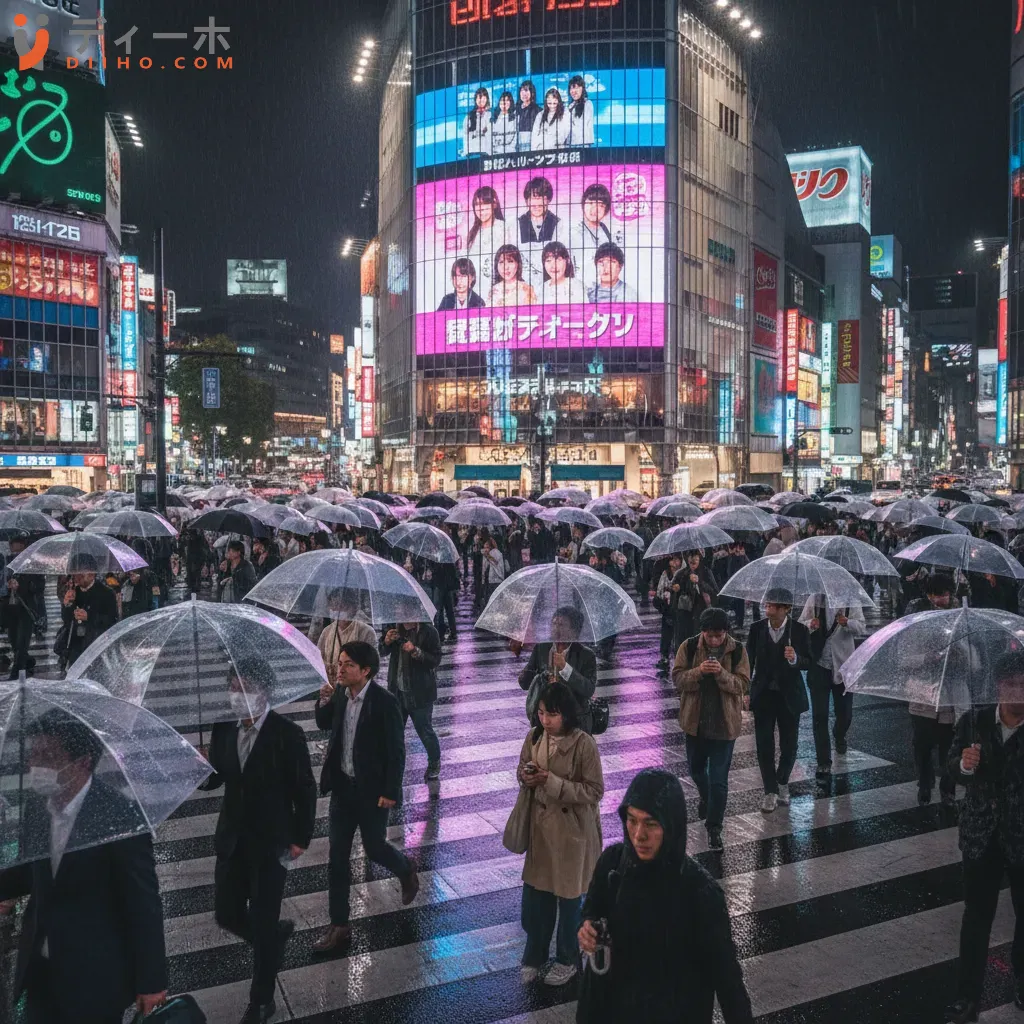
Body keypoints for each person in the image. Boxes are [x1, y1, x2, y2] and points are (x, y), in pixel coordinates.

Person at [0, 710, 168, 1024]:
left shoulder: (119, 819)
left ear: (82, 762)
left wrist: (152, 981)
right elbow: (30, 870)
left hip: (94, 979)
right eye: (33, 754)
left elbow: (142, 902)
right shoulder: (38, 809)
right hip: (41, 969)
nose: (35, 766)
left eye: (47, 756)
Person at [576, 768, 753, 1024]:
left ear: (671, 825)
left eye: (651, 823)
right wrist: (587, 928)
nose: (639, 835)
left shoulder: (700, 893)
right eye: (632, 820)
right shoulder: (613, 863)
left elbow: (728, 981)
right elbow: (591, 908)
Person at [201, 659, 317, 1024]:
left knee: (264, 922)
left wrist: (301, 837)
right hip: (232, 839)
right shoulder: (223, 727)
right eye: (232, 687)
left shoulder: (287, 733)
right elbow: (219, 777)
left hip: (271, 843)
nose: (237, 695)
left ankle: (261, 1001)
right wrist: (201, 769)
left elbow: (305, 788)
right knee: (227, 913)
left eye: (244, 688)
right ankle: (273, 942)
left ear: (264, 692)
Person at [312, 641, 419, 954]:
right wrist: (324, 699)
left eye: (347, 665)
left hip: (372, 793)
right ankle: (340, 925)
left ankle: (404, 868)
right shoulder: (342, 696)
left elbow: (396, 751)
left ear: (366, 670)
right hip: (343, 790)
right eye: (340, 663)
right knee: (337, 859)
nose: (340, 669)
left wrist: (390, 791)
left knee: (374, 848)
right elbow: (323, 723)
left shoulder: (384, 702)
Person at [943, 664, 1024, 1024]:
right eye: (1010, 682)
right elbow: (951, 767)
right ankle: (967, 997)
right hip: (980, 837)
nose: (1017, 689)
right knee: (976, 918)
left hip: (1022, 838)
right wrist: (964, 764)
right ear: (998, 686)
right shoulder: (973, 722)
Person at [516, 682, 603, 987]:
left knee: (569, 903)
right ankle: (534, 955)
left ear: (566, 714)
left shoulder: (584, 745)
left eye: (551, 714)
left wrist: (550, 781)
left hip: (572, 836)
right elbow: (521, 770)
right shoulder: (535, 736)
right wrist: (527, 776)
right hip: (540, 833)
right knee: (535, 900)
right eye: (540, 713)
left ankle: (567, 958)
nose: (545, 720)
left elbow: (594, 791)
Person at [672, 607, 751, 850]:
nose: (715, 640)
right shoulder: (689, 646)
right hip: (695, 724)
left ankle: (714, 827)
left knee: (719, 781)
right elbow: (677, 678)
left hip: (724, 726)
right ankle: (707, 798)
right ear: (703, 632)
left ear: (725, 633)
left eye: (719, 635)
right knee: (696, 771)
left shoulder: (737, 650)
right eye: (710, 635)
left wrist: (722, 675)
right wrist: (699, 671)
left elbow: (743, 684)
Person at [746, 587, 811, 813]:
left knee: (789, 745)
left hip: (789, 696)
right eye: (767, 604)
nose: (768, 608)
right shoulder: (756, 629)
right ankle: (770, 791)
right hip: (764, 695)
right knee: (764, 744)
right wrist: (746, 691)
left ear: (786, 609)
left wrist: (795, 659)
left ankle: (782, 780)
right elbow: (748, 662)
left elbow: (808, 661)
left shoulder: (799, 631)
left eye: (772, 605)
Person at [904, 574, 959, 807]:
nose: (940, 600)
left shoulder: (959, 619)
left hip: (949, 698)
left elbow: (973, 659)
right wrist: (927, 658)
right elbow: (905, 659)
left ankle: (948, 789)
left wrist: (959, 655)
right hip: (922, 696)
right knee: (922, 746)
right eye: (935, 595)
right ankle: (925, 784)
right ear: (928, 596)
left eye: (944, 594)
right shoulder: (917, 620)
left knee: (950, 748)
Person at [800, 596, 865, 781]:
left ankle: (839, 733)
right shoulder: (815, 599)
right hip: (818, 664)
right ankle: (824, 761)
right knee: (819, 716)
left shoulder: (850, 601)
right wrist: (810, 624)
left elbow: (861, 627)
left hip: (844, 666)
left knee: (845, 713)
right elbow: (800, 624)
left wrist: (847, 622)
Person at [517, 606, 597, 733]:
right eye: (554, 623)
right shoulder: (542, 648)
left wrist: (565, 667)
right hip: (544, 723)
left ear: (574, 631)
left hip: (575, 723)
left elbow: (588, 689)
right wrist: (531, 674)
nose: (556, 628)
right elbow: (524, 683)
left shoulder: (586, 655)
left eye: (561, 624)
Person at [381, 620, 443, 781]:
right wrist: (386, 642)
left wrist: (416, 651)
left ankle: (434, 762)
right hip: (397, 692)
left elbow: (435, 660)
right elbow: (381, 652)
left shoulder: (429, 632)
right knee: (394, 733)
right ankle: (394, 767)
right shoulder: (393, 628)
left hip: (420, 693)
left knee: (425, 731)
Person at [59, 567, 118, 668]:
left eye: (80, 575)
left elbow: (112, 621)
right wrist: (66, 605)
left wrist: (89, 617)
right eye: (74, 574)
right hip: (76, 646)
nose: (76, 578)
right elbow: (66, 620)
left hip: (97, 646)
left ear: (92, 574)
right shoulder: (74, 592)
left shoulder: (107, 593)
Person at [570, 183, 624, 289]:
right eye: (590, 203)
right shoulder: (573, 233)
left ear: (606, 210)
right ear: (583, 204)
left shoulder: (606, 230)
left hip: (606, 289)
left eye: (600, 205)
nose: (594, 209)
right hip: (582, 290)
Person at [314, 589, 378, 678]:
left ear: (354, 608)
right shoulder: (327, 631)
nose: (338, 610)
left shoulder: (366, 632)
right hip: (330, 685)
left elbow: (372, 666)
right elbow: (317, 660)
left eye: (343, 607)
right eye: (334, 606)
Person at [2, 536, 41, 678]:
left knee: (22, 643)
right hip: (10, 610)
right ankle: (28, 661)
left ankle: (16, 675)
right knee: (14, 643)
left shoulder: (33, 564)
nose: (16, 551)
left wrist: (21, 586)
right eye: (13, 547)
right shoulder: (6, 562)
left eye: (19, 548)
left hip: (26, 609)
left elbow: (38, 587)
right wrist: (7, 585)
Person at [670, 550, 718, 654]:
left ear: (699, 559)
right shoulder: (681, 573)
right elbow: (673, 590)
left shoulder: (706, 572)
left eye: (695, 558)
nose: (693, 560)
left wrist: (699, 582)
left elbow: (714, 591)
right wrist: (676, 588)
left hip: (701, 612)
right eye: (690, 558)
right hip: (684, 614)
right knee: (684, 642)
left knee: (699, 642)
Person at [465, 185, 511, 286]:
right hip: (475, 285)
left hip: (496, 284)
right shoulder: (473, 232)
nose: (480, 209)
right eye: (477, 204)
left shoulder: (502, 227)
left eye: (485, 203)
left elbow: (507, 259)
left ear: (494, 204)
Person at [654, 554, 683, 672]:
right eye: (672, 560)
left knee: (679, 634)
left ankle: (679, 658)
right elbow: (660, 590)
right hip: (667, 608)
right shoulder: (665, 573)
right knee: (666, 634)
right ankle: (664, 657)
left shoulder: (683, 574)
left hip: (680, 608)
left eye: (676, 559)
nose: (674, 562)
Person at [518, 176, 561, 245]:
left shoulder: (559, 224)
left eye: (541, 198)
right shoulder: (517, 224)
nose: (537, 204)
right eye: (533, 198)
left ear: (548, 200)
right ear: (527, 201)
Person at [219, 539, 258, 604]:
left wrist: (234, 579)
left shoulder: (247, 565)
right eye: (228, 551)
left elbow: (252, 583)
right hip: (226, 599)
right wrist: (222, 571)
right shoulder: (226, 564)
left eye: (231, 551)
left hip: (241, 600)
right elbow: (220, 582)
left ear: (238, 552)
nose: (229, 553)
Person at [565, 74, 595, 147]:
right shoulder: (570, 106)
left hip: (581, 144)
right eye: (571, 88)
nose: (573, 91)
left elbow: (582, 125)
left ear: (583, 89)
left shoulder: (588, 104)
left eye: (577, 87)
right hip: (570, 144)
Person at [462, 86, 492, 155]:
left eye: (484, 97)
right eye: (479, 97)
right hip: (472, 152)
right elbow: (465, 136)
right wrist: (467, 152)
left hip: (486, 152)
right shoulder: (469, 117)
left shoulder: (490, 115)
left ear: (487, 99)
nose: (482, 100)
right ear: (476, 99)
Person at [515, 80, 542, 149]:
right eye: (522, 91)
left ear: (532, 93)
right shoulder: (515, 110)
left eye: (526, 90)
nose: (524, 94)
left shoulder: (538, 110)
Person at [490, 89, 518, 154]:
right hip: (495, 153)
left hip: (510, 152)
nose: (504, 103)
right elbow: (491, 137)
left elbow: (513, 140)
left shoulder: (515, 118)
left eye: (507, 100)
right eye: (502, 100)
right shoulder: (494, 117)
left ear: (511, 103)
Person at [481, 535, 507, 605]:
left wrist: (487, 555)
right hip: (489, 580)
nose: (485, 549)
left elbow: (495, 562)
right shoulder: (488, 553)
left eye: (487, 547)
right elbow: (484, 567)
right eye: (484, 547)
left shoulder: (495, 552)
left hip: (496, 579)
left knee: (495, 598)